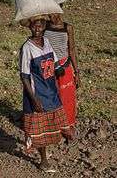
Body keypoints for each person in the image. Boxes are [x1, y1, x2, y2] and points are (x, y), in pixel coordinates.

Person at [19, 16, 68, 172]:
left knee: (49, 125)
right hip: (37, 95)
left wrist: (61, 69)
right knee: (39, 130)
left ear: (44, 27)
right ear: (30, 28)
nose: (37, 29)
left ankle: (39, 148)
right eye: (34, 27)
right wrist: (34, 100)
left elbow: (54, 62)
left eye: (40, 26)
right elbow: (24, 76)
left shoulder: (46, 42)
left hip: (50, 92)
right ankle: (43, 160)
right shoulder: (27, 48)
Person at [44, 13, 80, 140]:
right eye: (50, 13)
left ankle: (68, 125)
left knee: (67, 97)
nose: (53, 16)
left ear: (61, 10)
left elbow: (72, 50)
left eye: (55, 12)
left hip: (65, 66)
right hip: (48, 66)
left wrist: (77, 71)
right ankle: (52, 125)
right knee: (49, 96)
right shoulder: (44, 25)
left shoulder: (67, 27)